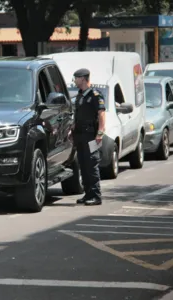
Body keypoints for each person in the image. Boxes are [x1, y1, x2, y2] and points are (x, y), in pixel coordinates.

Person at [72, 68, 106, 206]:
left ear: (83, 78)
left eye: (76, 78)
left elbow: (101, 114)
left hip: (92, 135)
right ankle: (87, 194)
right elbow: (78, 114)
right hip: (80, 135)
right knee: (83, 164)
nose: (75, 80)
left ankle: (96, 196)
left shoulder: (95, 95)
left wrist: (100, 132)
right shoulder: (80, 95)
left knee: (92, 164)